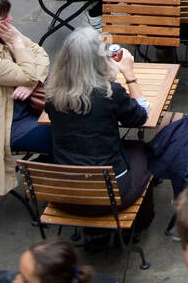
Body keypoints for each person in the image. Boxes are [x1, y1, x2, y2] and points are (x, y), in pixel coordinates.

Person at [44, 28, 152, 221]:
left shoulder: (52, 93)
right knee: (144, 150)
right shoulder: (110, 93)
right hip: (110, 195)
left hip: (64, 194)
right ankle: (141, 222)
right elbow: (141, 117)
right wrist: (129, 75)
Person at [0, 0, 51, 195]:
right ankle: (56, 182)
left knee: (76, 116)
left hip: (25, 103)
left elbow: (40, 53)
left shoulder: (0, 30)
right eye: (2, 18)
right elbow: (27, 72)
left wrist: (32, 84)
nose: (10, 20)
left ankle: (52, 169)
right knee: (65, 133)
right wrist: (17, 43)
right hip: (2, 123)